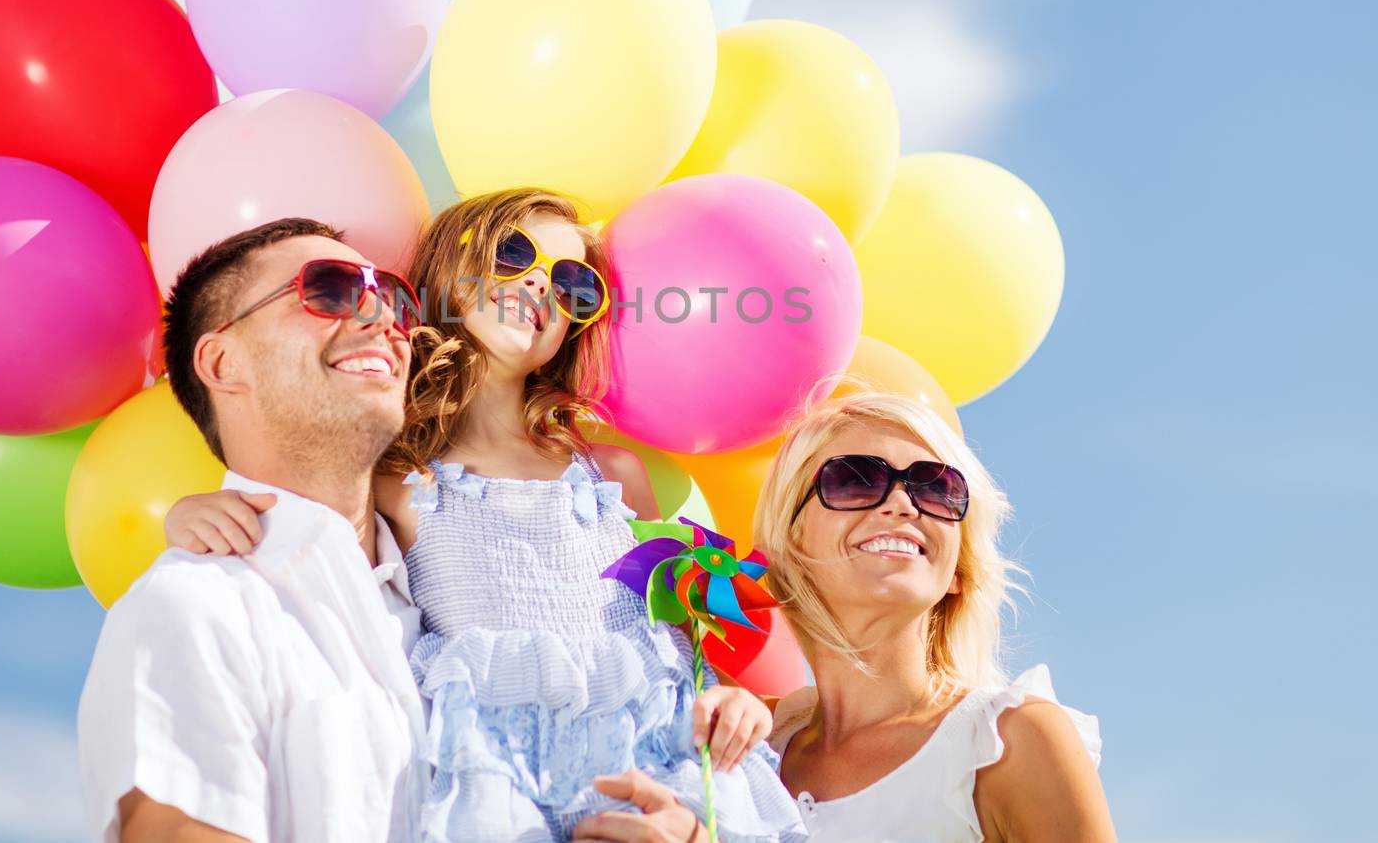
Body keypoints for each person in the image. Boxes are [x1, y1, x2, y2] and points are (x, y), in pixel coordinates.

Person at [168, 189, 805, 842]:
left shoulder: (612, 474)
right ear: (450, 271)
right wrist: (194, 510)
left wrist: (730, 697)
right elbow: (300, 553)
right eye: (512, 253)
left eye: (572, 284)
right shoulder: (392, 477)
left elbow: (671, 635)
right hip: (502, 782)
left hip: (658, 762)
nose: (539, 283)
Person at [77, 218, 429, 842]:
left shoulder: (459, 591)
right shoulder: (193, 607)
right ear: (222, 360)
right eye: (330, 289)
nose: (382, 317)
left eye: (396, 298)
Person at [751, 391, 1117, 842]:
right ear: (790, 545)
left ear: (958, 571)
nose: (904, 504)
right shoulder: (749, 744)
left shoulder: (1008, 741)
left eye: (937, 489)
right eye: (855, 479)